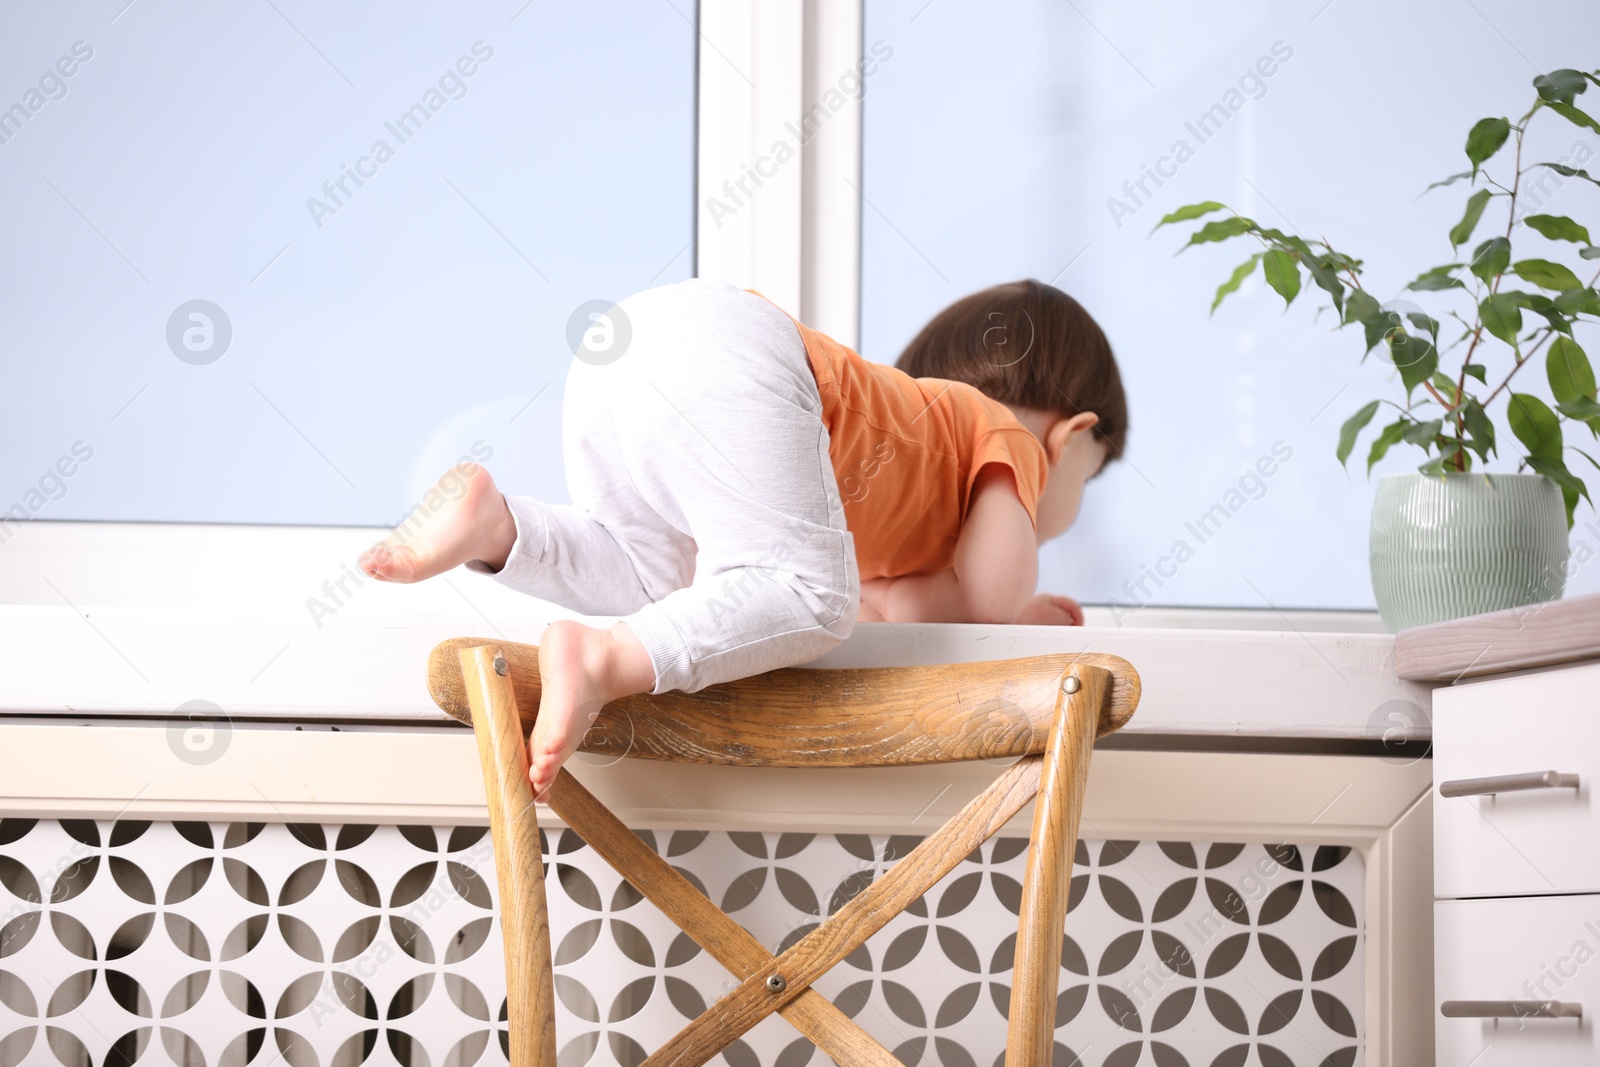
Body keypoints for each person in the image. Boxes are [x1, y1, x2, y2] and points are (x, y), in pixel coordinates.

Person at [359, 277, 1127, 798]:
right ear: (1070, 439)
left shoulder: (889, 482)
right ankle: (604, 656)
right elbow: (990, 597)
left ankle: (500, 529)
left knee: (663, 577)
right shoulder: (1005, 435)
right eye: (1085, 483)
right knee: (811, 596)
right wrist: (1023, 618)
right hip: (732, 342)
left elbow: (892, 611)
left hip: (622, 349)